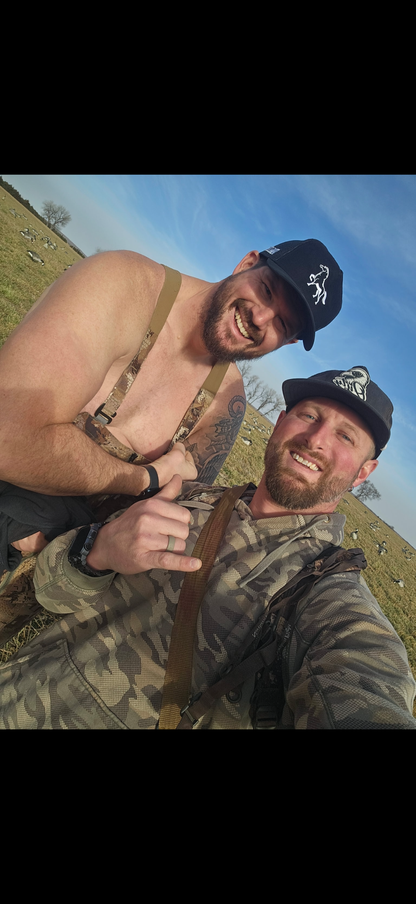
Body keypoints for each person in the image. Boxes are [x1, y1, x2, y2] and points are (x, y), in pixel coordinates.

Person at [0, 364, 415, 730]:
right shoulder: (188, 496)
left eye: (346, 436)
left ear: (364, 471)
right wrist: (95, 553)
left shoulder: (327, 596)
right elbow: (50, 592)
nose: (317, 439)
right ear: (280, 421)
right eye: (309, 415)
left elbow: (368, 686)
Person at [0, 239, 343, 574]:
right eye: (266, 290)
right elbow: (8, 436)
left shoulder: (225, 399)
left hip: (67, 564)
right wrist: (145, 477)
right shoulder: (124, 286)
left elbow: (169, 514)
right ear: (247, 264)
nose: (260, 317)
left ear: (290, 341)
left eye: (282, 323)